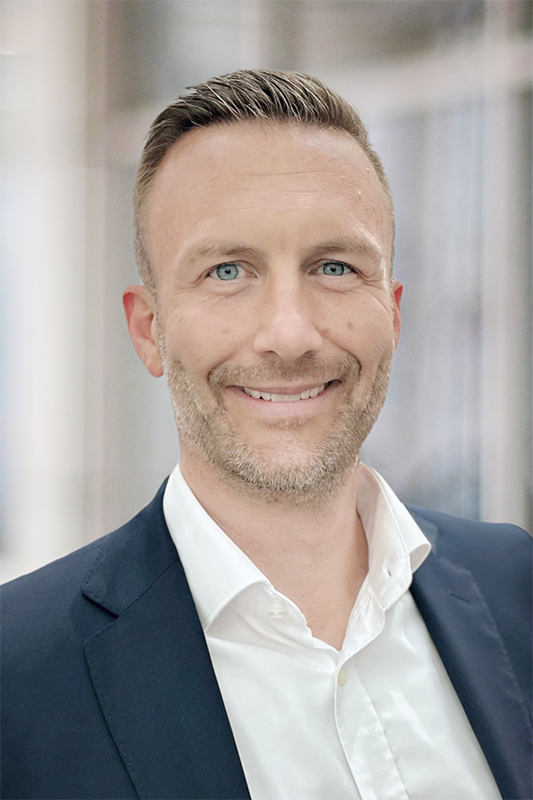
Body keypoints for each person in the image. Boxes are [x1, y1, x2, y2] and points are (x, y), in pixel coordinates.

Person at [1, 70, 531, 800]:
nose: (290, 334)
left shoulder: (517, 584)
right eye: (227, 271)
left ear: (393, 312)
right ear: (149, 330)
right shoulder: (17, 674)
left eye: (335, 267)